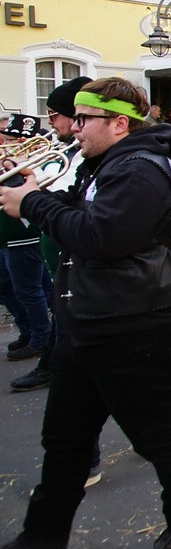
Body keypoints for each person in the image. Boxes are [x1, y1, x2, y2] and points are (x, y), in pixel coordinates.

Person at [0, 77, 171, 549]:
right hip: (92, 324)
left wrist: (32, 205)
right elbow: (82, 215)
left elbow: (102, 238)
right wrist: (36, 193)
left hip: (136, 329)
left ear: (119, 124)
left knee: (159, 438)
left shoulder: (140, 169)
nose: (73, 129)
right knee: (65, 443)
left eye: (83, 119)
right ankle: (41, 536)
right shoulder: (109, 164)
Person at [9, 76, 93, 393]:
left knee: (65, 313)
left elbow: (69, 203)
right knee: (61, 310)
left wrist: (30, 196)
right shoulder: (69, 152)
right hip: (58, 246)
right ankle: (54, 364)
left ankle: (55, 366)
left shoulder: (87, 155)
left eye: (54, 114)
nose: (51, 122)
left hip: (71, 251)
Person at [0, 115, 53, 365]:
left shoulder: (27, 165)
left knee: (29, 289)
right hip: (7, 236)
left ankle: (41, 337)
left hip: (23, 236)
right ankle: (31, 331)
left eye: (10, 139)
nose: (5, 143)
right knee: (12, 285)